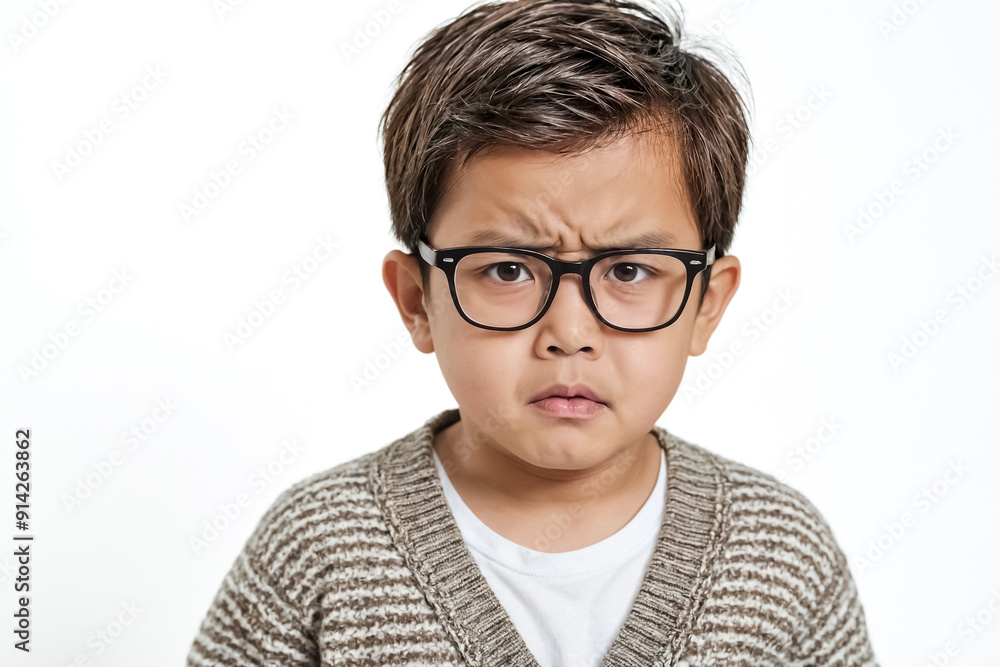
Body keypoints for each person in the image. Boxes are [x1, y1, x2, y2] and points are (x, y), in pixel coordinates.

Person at [187, 1, 879, 665]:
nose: (570, 333)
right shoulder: (318, 546)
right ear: (416, 300)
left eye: (631, 270)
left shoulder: (782, 555)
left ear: (707, 303)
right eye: (510, 269)